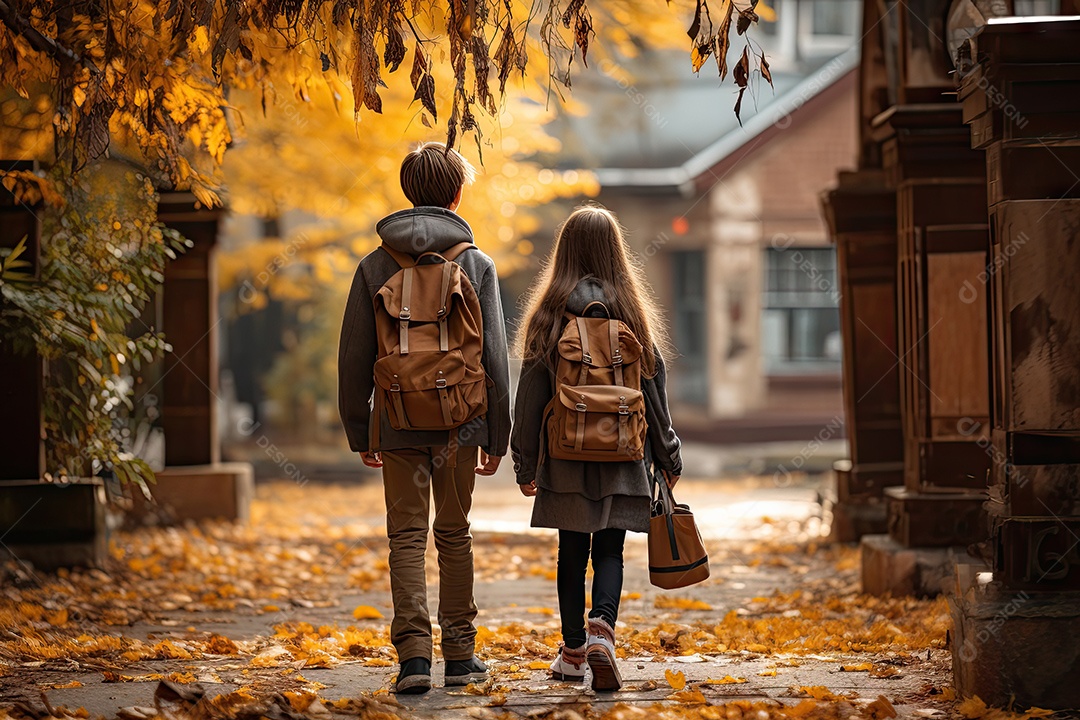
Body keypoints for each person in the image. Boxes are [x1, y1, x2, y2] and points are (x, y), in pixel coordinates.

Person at [338, 141, 511, 694]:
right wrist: (497, 435)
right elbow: (496, 358)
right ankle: (461, 655)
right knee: (454, 534)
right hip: (461, 423)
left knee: (406, 537)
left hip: (396, 420)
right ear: (457, 194)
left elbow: (353, 354)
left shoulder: (373, 265)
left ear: (408, 190)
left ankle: (413, 657)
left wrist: (357, 427)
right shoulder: (476, 263)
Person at [511, 205, 683, 691]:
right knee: (611, 550)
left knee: (571, 552)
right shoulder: (632, 313)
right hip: (626, 455)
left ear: (563, 251)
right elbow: (654, 393)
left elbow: (530, 397)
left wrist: (525, 461)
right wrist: (668, 457)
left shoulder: (549, 316)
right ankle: (602, 632)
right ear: (616, 253)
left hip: (565, 455)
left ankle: (572, 653)